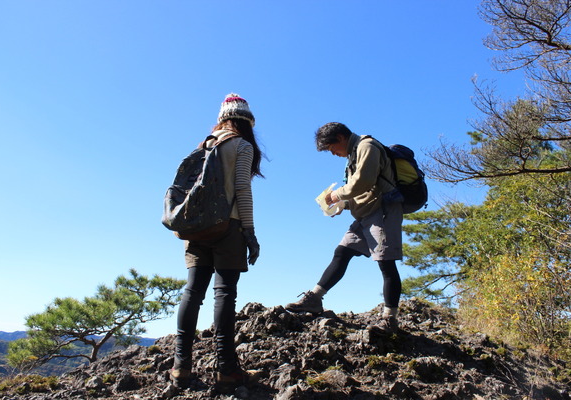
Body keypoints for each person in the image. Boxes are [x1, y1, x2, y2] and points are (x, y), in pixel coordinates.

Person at [171, 93, 263, 388]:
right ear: (246, 121)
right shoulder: (242, 145)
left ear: (222, 118)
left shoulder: (204, 145)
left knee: (192, 292)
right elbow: (242, 192)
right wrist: (249, 232)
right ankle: (226, 369)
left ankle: (180, 368)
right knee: (224, 295)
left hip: (197, 229)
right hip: (228, 227)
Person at [285, 122, 403, 333]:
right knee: (342, 252)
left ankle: (390, 319)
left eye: (332, 149)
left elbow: (364, 181)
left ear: (340, 138)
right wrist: (345, 204)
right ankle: (314, 298)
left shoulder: (367, 146)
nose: (334, 154)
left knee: (386, 263)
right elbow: (364, 189)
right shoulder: (354, 153)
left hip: (383, 211)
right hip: (366, 212)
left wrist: (336, 195)